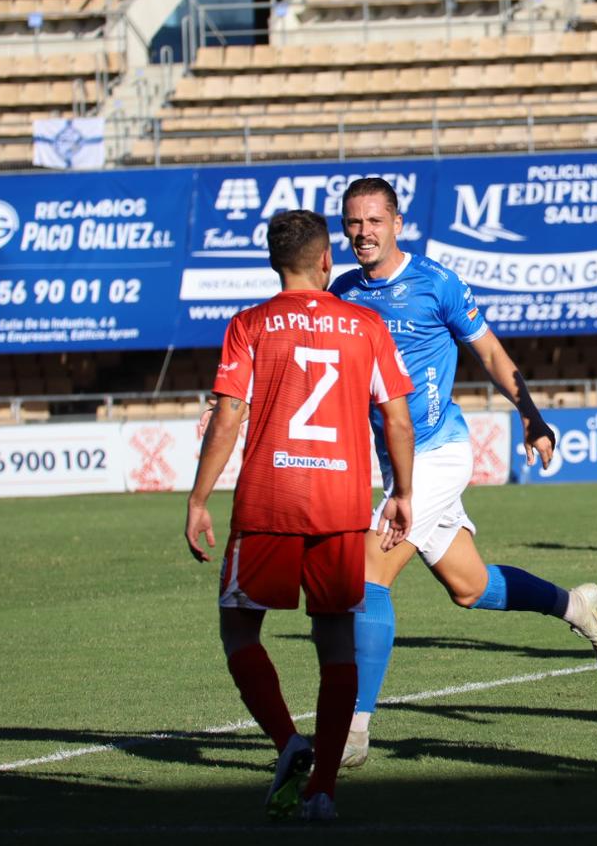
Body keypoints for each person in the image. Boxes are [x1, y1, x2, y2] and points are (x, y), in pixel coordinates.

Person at [328, 177, 597, 767]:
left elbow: (489, 352)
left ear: (397, 222)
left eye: (373, 221)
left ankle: (354, 728)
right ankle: (574, 607)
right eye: (353, 223)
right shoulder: (343, 292)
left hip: (438, 451)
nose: (363, 233)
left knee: (367, 574)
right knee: (470, 587)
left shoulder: (436, 283)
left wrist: (532, 417)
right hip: (394, 459)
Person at [184, 209, 416, 823]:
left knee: (239, 630)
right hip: (340, 505)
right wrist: (402, 492)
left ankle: (289, 742)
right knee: (336, 642)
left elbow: (229, 416)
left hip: (268, 500)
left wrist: (199, 498)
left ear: (272, 263)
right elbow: (396, 416)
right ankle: (325, 792)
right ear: (325, 261)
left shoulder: (250, 325)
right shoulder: (365, 323)